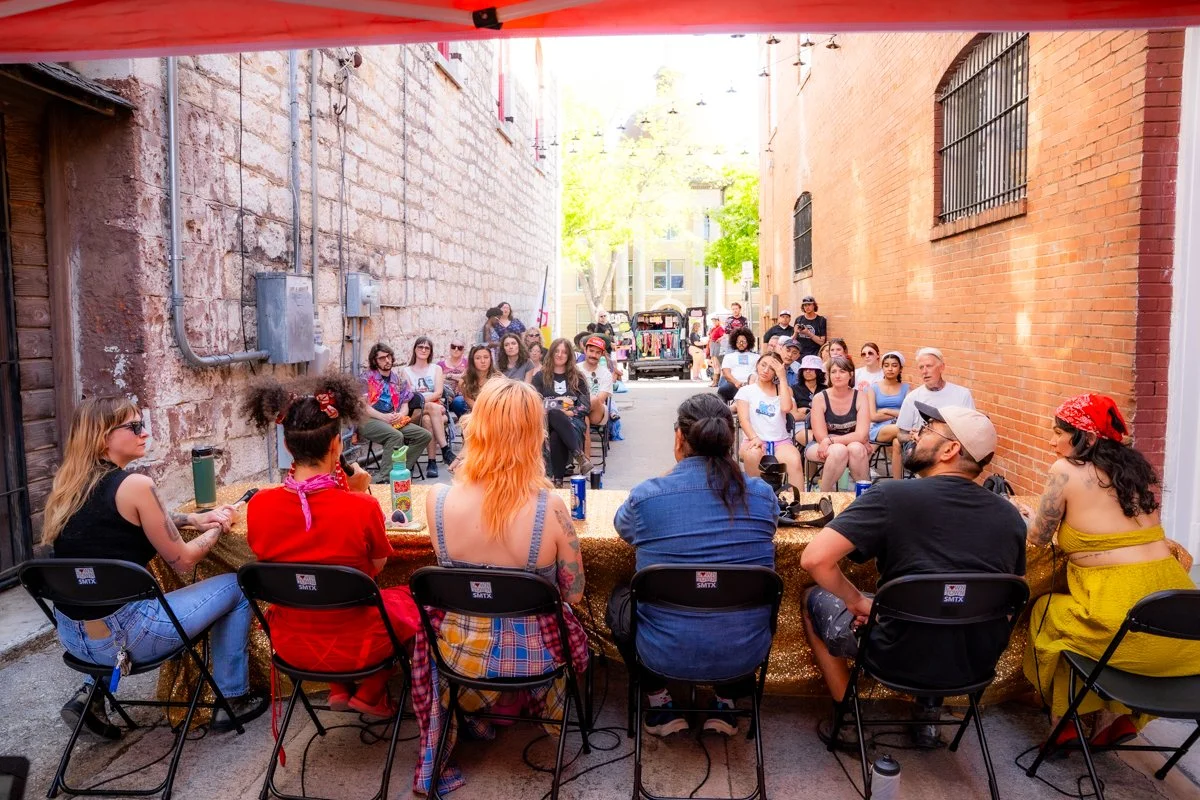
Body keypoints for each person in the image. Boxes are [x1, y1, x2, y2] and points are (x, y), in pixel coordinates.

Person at [801, 403, 1025, 749]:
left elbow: (815, 559)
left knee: (813, 596)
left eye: (928, 430)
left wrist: (858, 601)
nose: (915, 435)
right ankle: (928, 720)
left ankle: (849, 718)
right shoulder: (1010, 516)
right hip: (971, 662)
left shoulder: (892, 495)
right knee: (951, 603)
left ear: (950, 450)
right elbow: (1009, 597)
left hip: (893, 654)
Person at [43, 397, 267, 739]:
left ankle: (91, 695)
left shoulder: (68, 484)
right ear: (104, 436)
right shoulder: (135, 485)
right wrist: (217, 527)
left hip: (74, 639)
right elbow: (184, 559)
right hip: (131, 639)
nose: (144, 433)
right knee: (239, 585)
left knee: (96, 591)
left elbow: (125, 522)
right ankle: (230, 699)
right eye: (134, 427)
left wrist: (192, 517)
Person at [415, 378, 588, 795]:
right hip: (535, 659)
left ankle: (481, 709)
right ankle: (524, 708)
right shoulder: (551, 509)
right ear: (533, 436)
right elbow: (574, 593)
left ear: (477, 428)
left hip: (458, 656)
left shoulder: (435, 500)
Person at [1019, 394, 1200, 750]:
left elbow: (1038, 539)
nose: (1051, 441)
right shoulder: (1135, 471)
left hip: (1123, 620)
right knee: (1082, 625)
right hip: (1185, 635)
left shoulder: (1065, 470)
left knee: (1049, 614)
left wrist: (1027, 516)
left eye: (1058, 432)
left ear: (1084, 437)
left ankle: (1063, 722)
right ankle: (1115, 719)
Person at [244, 373, 420, 719]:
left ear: (286, 446)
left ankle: (341, 686)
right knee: (409, 604)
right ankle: (370, 689)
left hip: (292, 644)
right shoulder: (361, 506)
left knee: (326, 598)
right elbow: (377, 567)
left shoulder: (259, 505)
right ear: (337, 445)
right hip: (356, 642)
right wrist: (355, 494)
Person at [611, 393, 778, 737]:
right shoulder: (761, 493)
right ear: (731, 440)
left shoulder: (647, 496)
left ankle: (659, 701)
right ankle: (726, 701)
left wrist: (670, 475)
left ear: (679, 437)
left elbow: (623, 527)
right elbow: (770, 526)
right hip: (744, 652)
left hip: (663, 650)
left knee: (618, 599)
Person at [359, 343, 433, 482]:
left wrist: (401, 415)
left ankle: (399, 471)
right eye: (382, 358)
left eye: (388, 357)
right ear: (375, 361)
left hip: (393, 420)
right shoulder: (366, 379)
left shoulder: (399, 380)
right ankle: (385, 478)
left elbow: (405, 405)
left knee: (424, 435)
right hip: (369, 420)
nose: (387, 360)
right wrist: (383, 417)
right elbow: (364, 407)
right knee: (395, 436)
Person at [736, 353, 804, 493]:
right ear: (757, 365)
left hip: (781, 441)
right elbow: (743, 420)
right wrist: (754, 438)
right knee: (752, 455)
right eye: (763, 365)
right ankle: (756, 497)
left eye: (772, 368)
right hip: (753, 439)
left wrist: (783, 378)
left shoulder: (783, 389)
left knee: (795, 461)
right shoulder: (746, 391)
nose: (766, 370)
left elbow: (786, 408)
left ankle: (797, 503)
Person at [895, 348, 976, 463]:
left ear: (941, 367)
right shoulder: (912, 398)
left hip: (955, 451)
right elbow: (901, 434)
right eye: (921, 367)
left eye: (929, 366)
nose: (924, 371)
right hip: (925, 454)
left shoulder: (962, 394)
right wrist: (914, 436)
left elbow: (971, 429)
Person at [530, 338, 592, 484]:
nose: (560, 355)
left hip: (573, 422)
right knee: (554, 414)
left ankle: (557, 480)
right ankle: (579, 455)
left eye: (564, 352)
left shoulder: (578, 377)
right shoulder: (540, 377)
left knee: (557, 434)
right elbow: (535, 404)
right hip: (545, 422)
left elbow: (585, 406)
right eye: (557, 351)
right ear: (551, 353)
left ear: (569, 355)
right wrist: (561, 407)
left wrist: (569, 413)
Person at [806, 356, 870, 491]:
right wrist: (831, 441)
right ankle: (824, 495)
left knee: (857, 448)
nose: (837, 375)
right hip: (819, 445)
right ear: (828, 375)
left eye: (842, 371)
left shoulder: (860, 396)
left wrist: (831, 439)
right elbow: (821, 437)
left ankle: (864, 495)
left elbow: (862, 435)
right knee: (839, 450)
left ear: (851, 374)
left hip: (840, 443)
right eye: (833, 372)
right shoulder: (820, 398)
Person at [403, 337, 455, 479]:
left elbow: (438, 392)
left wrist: (422, 400)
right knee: (432, 408)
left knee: (427, 420)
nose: (423, 350)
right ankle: (445, 449)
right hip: (415, 412)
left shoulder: (436, 369)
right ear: (415, 349)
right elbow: (410, 398)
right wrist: (423, 402)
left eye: (427, 348)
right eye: (420, 347)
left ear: (430, 351)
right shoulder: (406, 371)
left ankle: (432, 462)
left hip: (435, 412)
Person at [867, 351, 910, 478]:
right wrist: (899, 414)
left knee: (897, 442)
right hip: (879, 429)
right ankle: (915, 439)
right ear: (882, 367)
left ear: (900, 368)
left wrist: (886, 410)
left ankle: (898, 484)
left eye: (894, 365)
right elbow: (873, 416)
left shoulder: (907, 388)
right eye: (886, 365)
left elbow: (907, 414)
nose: (890, 369)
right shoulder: (873, 388)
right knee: (902, 429)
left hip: (901, 427)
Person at [577, 335, 614, 451]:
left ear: (602, 354)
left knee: (593, 400)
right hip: (579, 412)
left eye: (597, 352)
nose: (593, 355)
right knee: (584, 418)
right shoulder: (575, 370)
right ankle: (586, 462)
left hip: (597, 412)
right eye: (591, 351)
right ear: (585, 350)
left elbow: (600, 399)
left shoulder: (606, 374)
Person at [790, 354, 827, 443]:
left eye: (811, 369)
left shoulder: (826, 389)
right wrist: (817, 413)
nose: (807, 371)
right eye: (805, 369)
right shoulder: (793, 389)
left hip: (824, 426)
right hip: (800, 426)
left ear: (819, 371)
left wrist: (804, 410)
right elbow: (794, 416)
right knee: (819, 440)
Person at [717, 328, 759, 403]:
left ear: (749, 342)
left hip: (752, 385)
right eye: (738, 342)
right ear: (734, 343)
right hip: (734, 384)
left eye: (743, 341)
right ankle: (723, 412)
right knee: (722, 390)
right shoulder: (728, 356)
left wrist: (750, 384)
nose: (741, 344)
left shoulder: (757, 357)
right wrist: (736, 382)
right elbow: (726, 373)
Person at [460, 344, 500, 413]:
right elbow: (474, 406)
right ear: (472, 361)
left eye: (486, 357)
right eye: (478, 358)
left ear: (491, 359)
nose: (483, 361)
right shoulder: (464, 382)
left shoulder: (499, 378)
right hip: (477, 414)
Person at [438, 339, 469, 417]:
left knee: (458, 402)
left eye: (459, 348)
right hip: (446, 396)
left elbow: (467, 377)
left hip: (461, 396)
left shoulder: (467, 363)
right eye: (453, 347)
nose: (456, 349)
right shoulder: (440, 365)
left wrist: (449, 376)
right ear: (450, 348)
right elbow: (438, 379)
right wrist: (459, 376)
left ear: (463, 350)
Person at [707, 316, 726, 388]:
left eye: (715, 321)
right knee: (714, 365)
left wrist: (719, 339)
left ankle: (716, 382)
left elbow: (724, 335)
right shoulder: (714, 328)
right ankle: (715, 381)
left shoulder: (720, 328)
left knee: (716, 365)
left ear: (718, 321)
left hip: (716, 345)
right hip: (712, 345)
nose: (714, 322)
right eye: (713, 321)